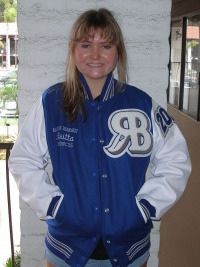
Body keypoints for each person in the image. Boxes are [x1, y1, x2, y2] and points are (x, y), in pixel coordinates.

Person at [9, 8, 191, 267]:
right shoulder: (52, 103)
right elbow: (23, 160)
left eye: (105, 45)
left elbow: (177, 162)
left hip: (130, 249)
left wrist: (147, 207)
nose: (95, 54)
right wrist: (53, 206)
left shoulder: (142, 104)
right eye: (86, 44)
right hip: (65, 250)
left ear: (118, 52)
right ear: (73, 49)